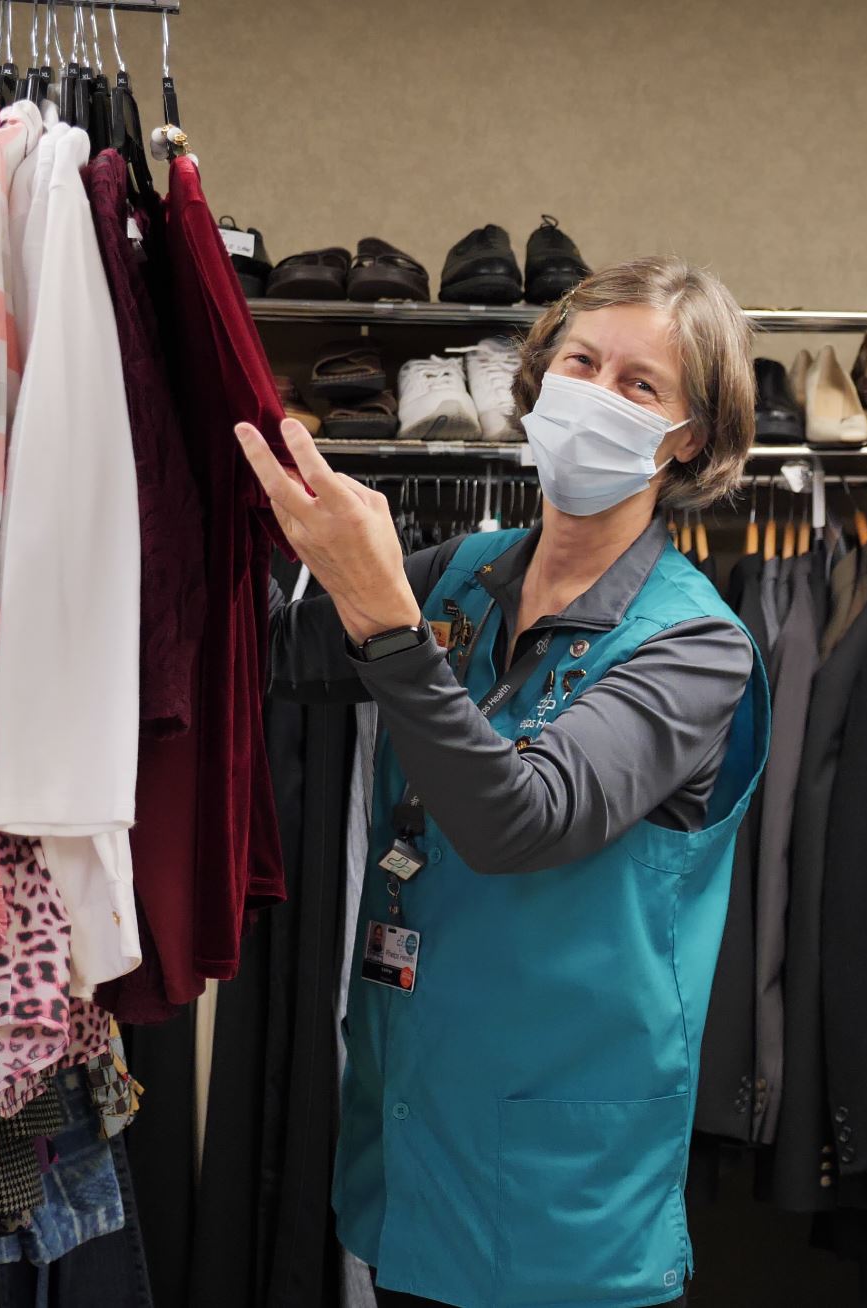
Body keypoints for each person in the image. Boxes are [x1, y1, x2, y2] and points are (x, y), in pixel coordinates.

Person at [242, 256, 770, 1308]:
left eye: (639, 385)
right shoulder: (468, 577)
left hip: (562, 1205)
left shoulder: (695, 648)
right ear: (533, 380)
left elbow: (516, 822)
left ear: (692, 438)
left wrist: (386, 618)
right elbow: (274, 656)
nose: (593, 396)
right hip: (411, 1155)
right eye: (579, 362)